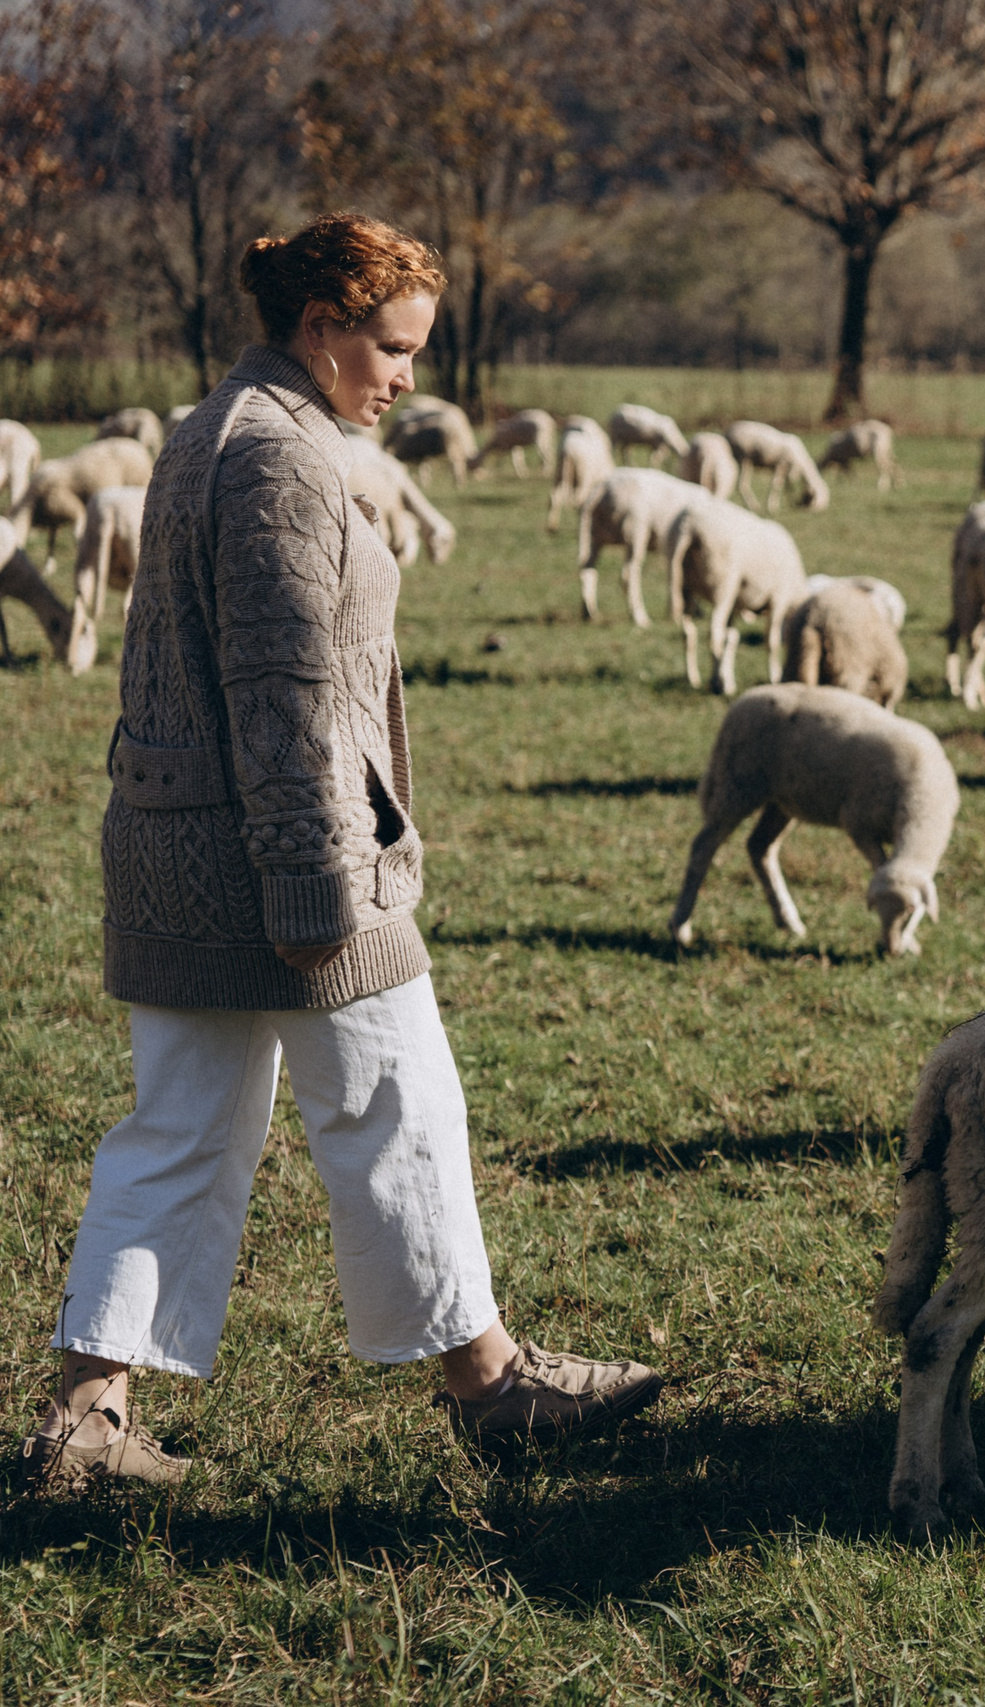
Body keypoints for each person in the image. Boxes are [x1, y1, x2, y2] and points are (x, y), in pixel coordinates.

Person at [23, 212, 662, 1493]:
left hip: (184, 847)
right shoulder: (280, 461)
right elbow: (285, 691)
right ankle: (491, 1388)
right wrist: (320, 885)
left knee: (181, 1131)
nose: (408, 377)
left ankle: (85, 1420)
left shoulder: (216, 426)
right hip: (285, 862)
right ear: (322, 328)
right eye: (393, 347)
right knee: (401, 1106)